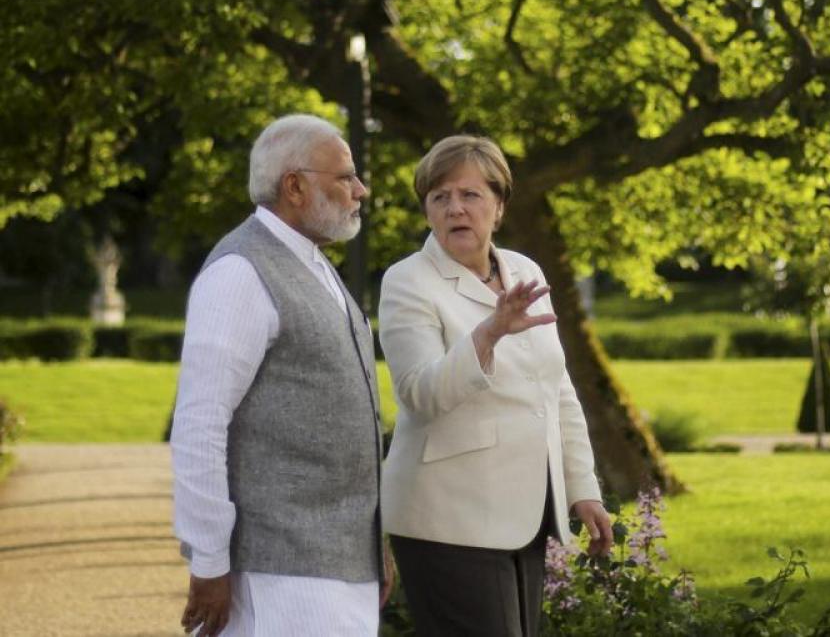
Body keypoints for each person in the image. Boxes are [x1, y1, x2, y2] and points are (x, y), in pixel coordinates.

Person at [378, 135, 613, 636]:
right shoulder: (407, 281)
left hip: (524, 515)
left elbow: (557, 389)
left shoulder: (525, 270)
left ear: (499, 207)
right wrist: (487, 335)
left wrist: (582, 489)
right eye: (439, 197)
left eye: (470, 195)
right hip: (447, 518)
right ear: (426, 211)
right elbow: (420, 394)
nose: (455, 209)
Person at [170, 114, 393, 636]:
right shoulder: (240, 272)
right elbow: (200, 423)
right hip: (278, 573)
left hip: (334, 567)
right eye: (344, 177)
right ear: (294, 185)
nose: (360, 190)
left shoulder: (313, 264)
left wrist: (371, 545)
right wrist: (208, 560)